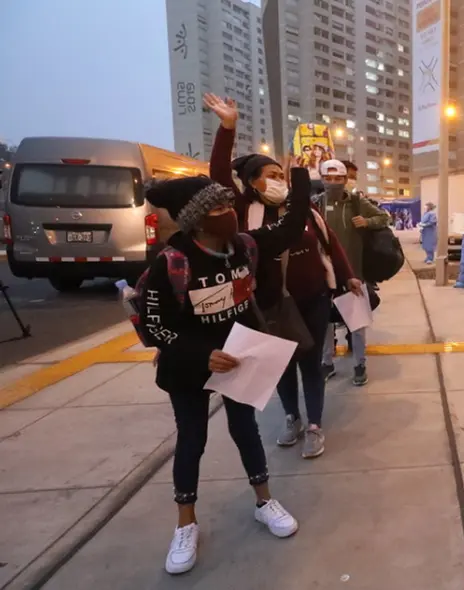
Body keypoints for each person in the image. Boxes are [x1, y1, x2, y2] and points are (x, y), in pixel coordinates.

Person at [141, 166, 312, 575]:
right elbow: (154, 325)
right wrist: (200, 355)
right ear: (196, 218)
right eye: (216, 206)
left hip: (239, 359)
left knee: (245, 430)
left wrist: (303, 175)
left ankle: (263, 501)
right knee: (192, 439)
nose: (228, 209)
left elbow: (289, 229)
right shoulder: (172, 263)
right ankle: (186, 524)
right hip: (189, 367)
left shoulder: (244, 247)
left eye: (225, 202)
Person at [205, 94, 364, 456]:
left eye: (282, 175)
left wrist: (347, 275)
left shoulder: (301, 208)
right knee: (281, 366)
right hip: (270, 305)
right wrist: (227, 127)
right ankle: (291, 417)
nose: (279, 181)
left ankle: (314, 426)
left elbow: (329, 241)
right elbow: (217, 176)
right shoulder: (243, 210)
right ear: (251, 183)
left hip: (313, 300)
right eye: (271, 176)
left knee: (311, 364)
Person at [319, 159, 390, 386]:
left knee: (357, 325)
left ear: (346, 180)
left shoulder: (356, 202)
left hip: (354, 273)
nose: (333, 183)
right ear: (321, 179)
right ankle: (327, 363)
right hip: (324, 276)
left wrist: (367, 221)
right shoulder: (315, 205)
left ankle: (360, 364)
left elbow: (383, 217)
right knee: (325, 325)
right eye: (328, 179)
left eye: (338, 179)